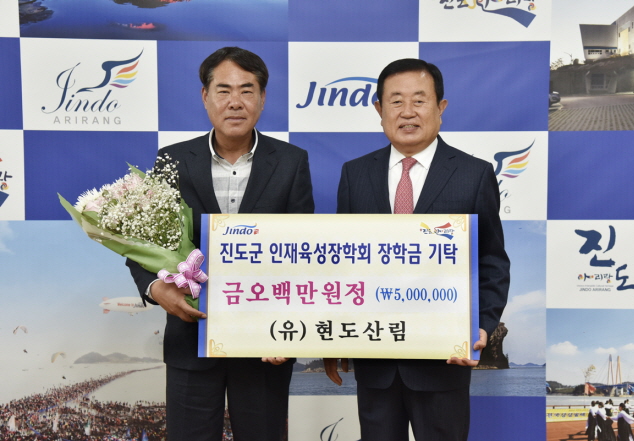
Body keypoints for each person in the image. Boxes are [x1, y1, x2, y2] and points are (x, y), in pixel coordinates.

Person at [126, 46, 314, 441]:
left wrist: (287, 329)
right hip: (189, 337)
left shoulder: (291, 161)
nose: (235, 102)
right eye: (224, 90)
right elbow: (143, 244)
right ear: (205, 96)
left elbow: (302, 253)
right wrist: (157, 288)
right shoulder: (173, 160)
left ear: (262, 98)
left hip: (264, 342)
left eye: (247, 90)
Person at [323, 58, 510, 441]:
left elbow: (492, 260)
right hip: (375, 361)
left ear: (440, 107)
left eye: (419, 100)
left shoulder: (474, 174)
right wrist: (331, 336)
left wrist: (482, 325)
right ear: (380, 110)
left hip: (444, 361)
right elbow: (342, 264)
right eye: (396, 101)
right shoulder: (355, 174)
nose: (407, 112)